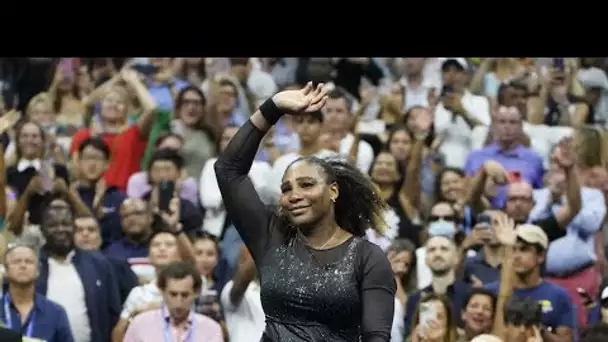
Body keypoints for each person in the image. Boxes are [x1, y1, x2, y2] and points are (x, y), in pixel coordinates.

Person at [215, 82, 396, 341]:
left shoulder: (367, 258)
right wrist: (273, 107)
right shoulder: (271, 236)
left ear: (333, 191)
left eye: (307, 185)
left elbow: (376, 337)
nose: (295, 195)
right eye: (286, 189)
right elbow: (228, 170)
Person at [123, 261, 223, 342]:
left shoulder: (211, 329)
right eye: (173, 294)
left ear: (196, 293)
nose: (178, 302)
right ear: (162, 291)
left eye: (185, 295)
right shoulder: (140, 324)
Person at [1, 244, 74, 342]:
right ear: (5, 270)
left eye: (29, 261)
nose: (23, 265)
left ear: (37, 271)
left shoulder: (55, 312)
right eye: (16, 261)